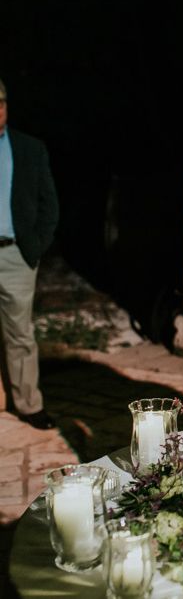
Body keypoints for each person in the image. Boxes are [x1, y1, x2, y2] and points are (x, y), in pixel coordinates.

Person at [0, 78, 59, 429]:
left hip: (15, 256)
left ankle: (28, 404)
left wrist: (35, 247)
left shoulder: (29, 149)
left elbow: (49, 204)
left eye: (1, 103)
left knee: (20, 334)